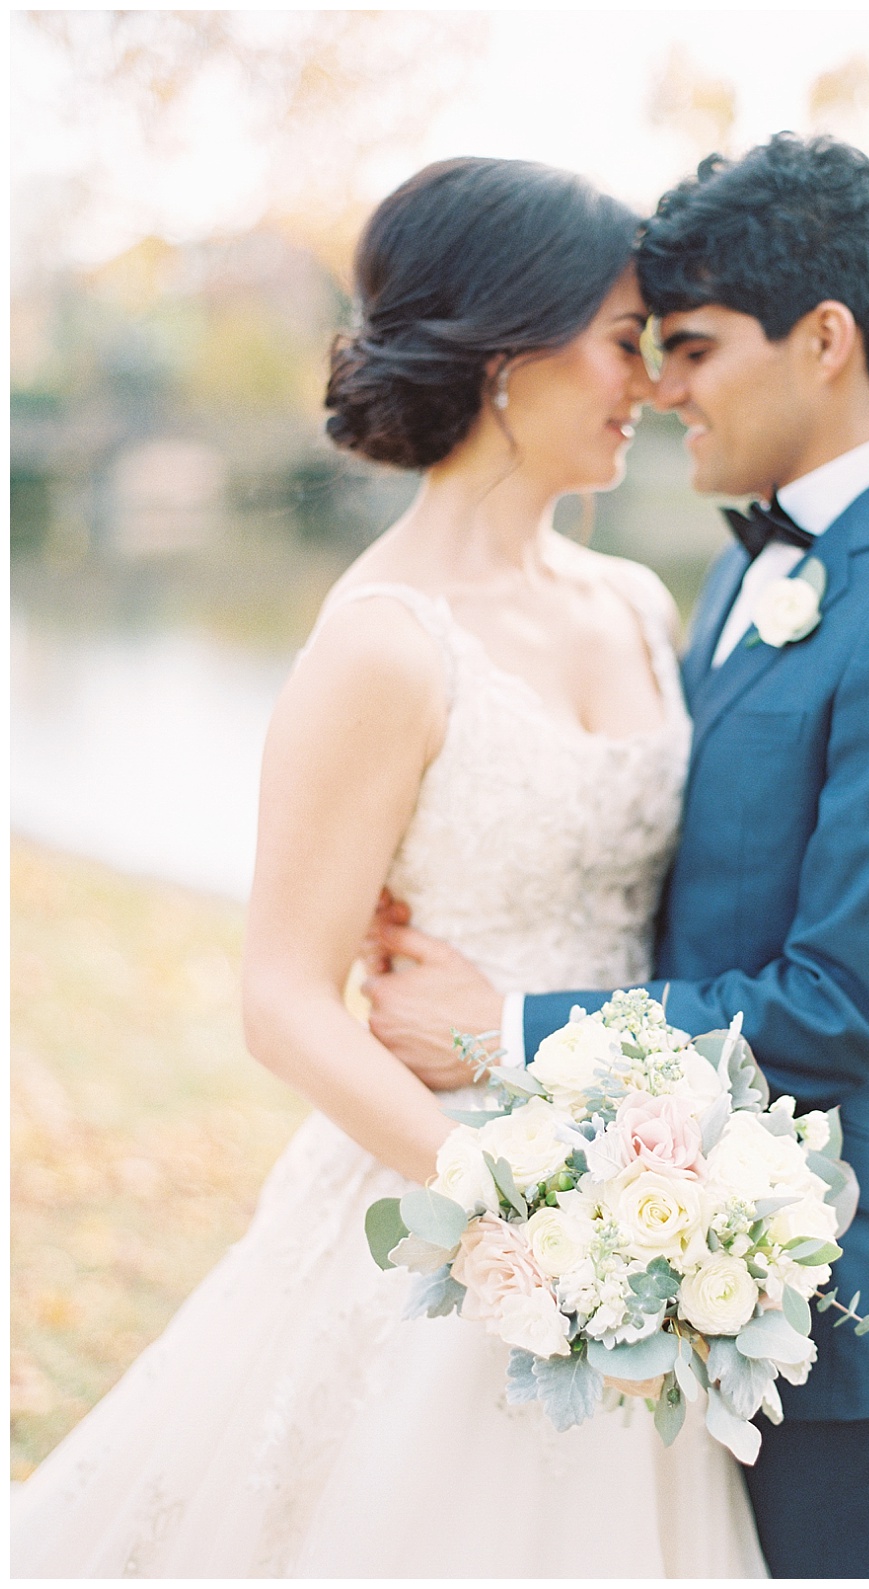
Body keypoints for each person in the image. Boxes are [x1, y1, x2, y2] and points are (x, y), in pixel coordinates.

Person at [10, 157, 766, 1579]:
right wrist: (523, 1205)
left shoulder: (635, 603)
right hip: (454, 1203)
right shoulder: (384, 642)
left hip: (645, 1184)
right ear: (505, 355)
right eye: (623, 341)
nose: (653, 385)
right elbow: (283, 998)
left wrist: (645, 1196)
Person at [363, 134, 869, 1579]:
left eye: (691, 346)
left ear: (823, 341)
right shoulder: (754, 561)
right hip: (667, 1238)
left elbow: (841, 1011)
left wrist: (509, 1029)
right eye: (650, 347)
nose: (661, 385)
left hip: (842, 1289)